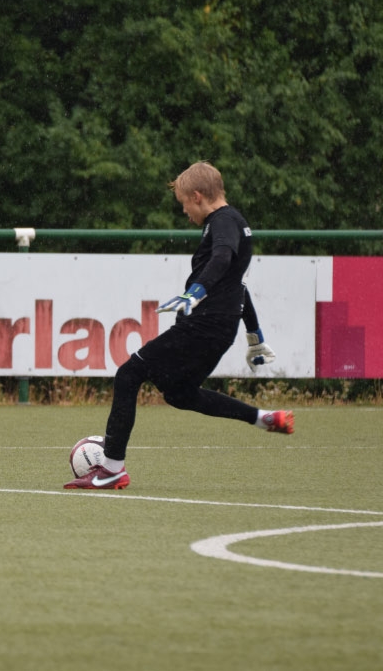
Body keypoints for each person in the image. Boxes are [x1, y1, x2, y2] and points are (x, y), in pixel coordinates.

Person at [65, 161, 293, 490]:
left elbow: (222, 258)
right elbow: (238, 286)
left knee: (129, 374)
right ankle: (262, 418)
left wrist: (195, 293)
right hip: (220, 329)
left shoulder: (222, 221)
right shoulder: (235, 222)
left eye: (184, 203)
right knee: (180, 394)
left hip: (203, 325)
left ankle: (112, 467)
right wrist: (254, 334)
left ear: (197, 196)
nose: (185, 212)